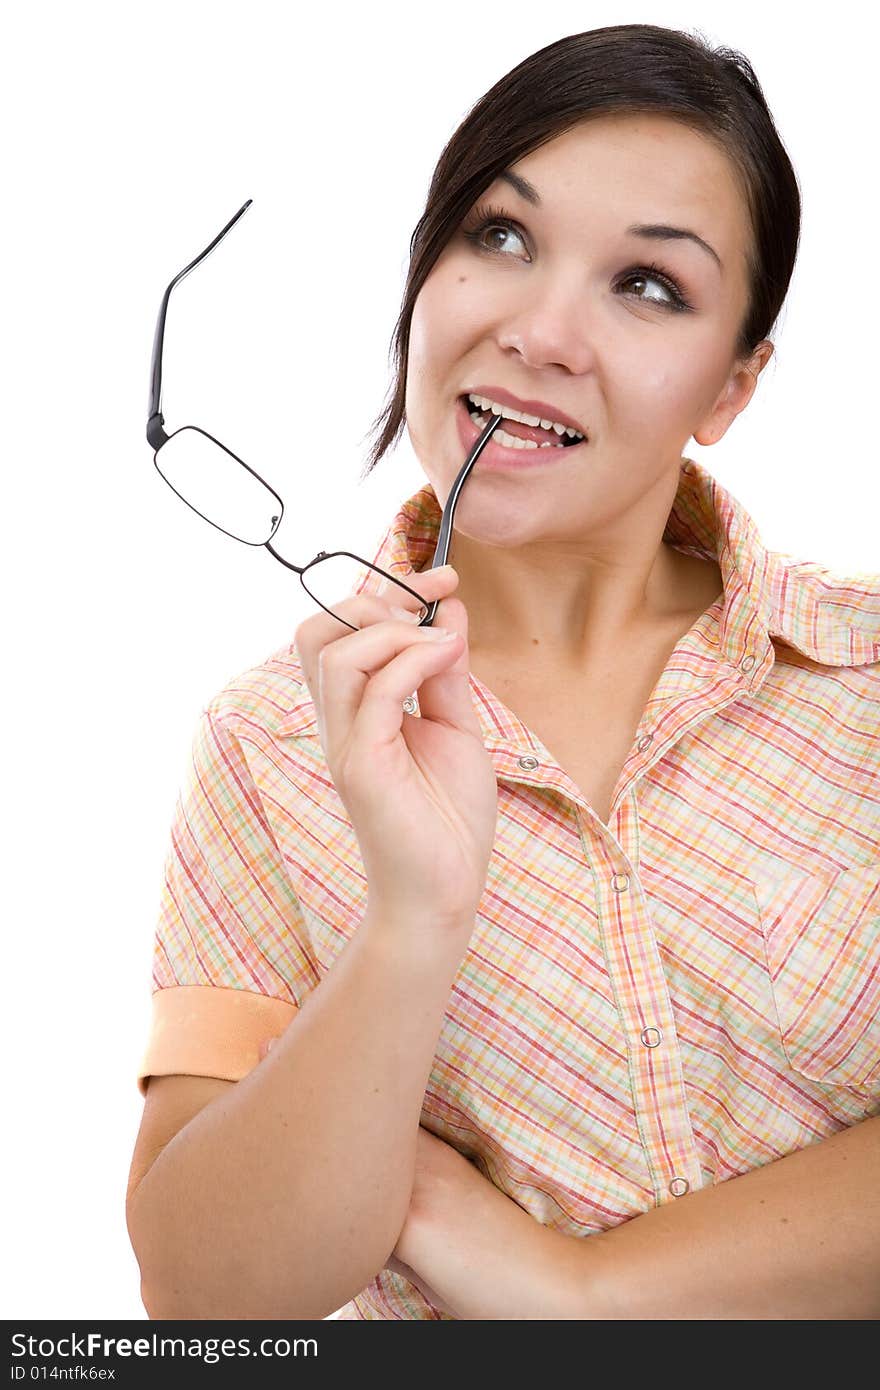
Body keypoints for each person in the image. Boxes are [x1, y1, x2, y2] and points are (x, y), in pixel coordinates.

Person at [125, 24, 880, 1320]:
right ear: (421, 282)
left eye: (648, 285)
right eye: (501, 237)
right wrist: (411, 922)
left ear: (735, 385)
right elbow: (206, 1305)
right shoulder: (267, 746)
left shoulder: (863, 676)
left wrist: (580, 1291)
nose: (540, 331)